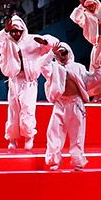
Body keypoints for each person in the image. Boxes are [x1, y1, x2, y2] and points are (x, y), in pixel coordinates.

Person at [0, 13, 53, 150]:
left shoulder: (32, 40)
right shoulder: (6, 41)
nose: (16, 33)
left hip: (29, 82)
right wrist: (5, 31)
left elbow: (51, 44)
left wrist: (45, 42)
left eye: (18, 31)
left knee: (28, 109)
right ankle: (12, 139)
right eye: (13, 31)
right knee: (13, 111)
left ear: (23, 30)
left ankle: (29, 136)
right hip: (13, 80)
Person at [41, 38, 93, 171]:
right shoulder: (53, 67)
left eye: (63, 53)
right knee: (54, 132)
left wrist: (99, 71)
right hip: (60, 104)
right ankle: (54, 161)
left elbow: (91, 80)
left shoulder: (78, 67)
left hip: (76, 104)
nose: (61, 56)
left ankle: (77, 162)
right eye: (58, 54)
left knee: (77, 135)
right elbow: (42, 66)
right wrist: (51, 54)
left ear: (68, 53)